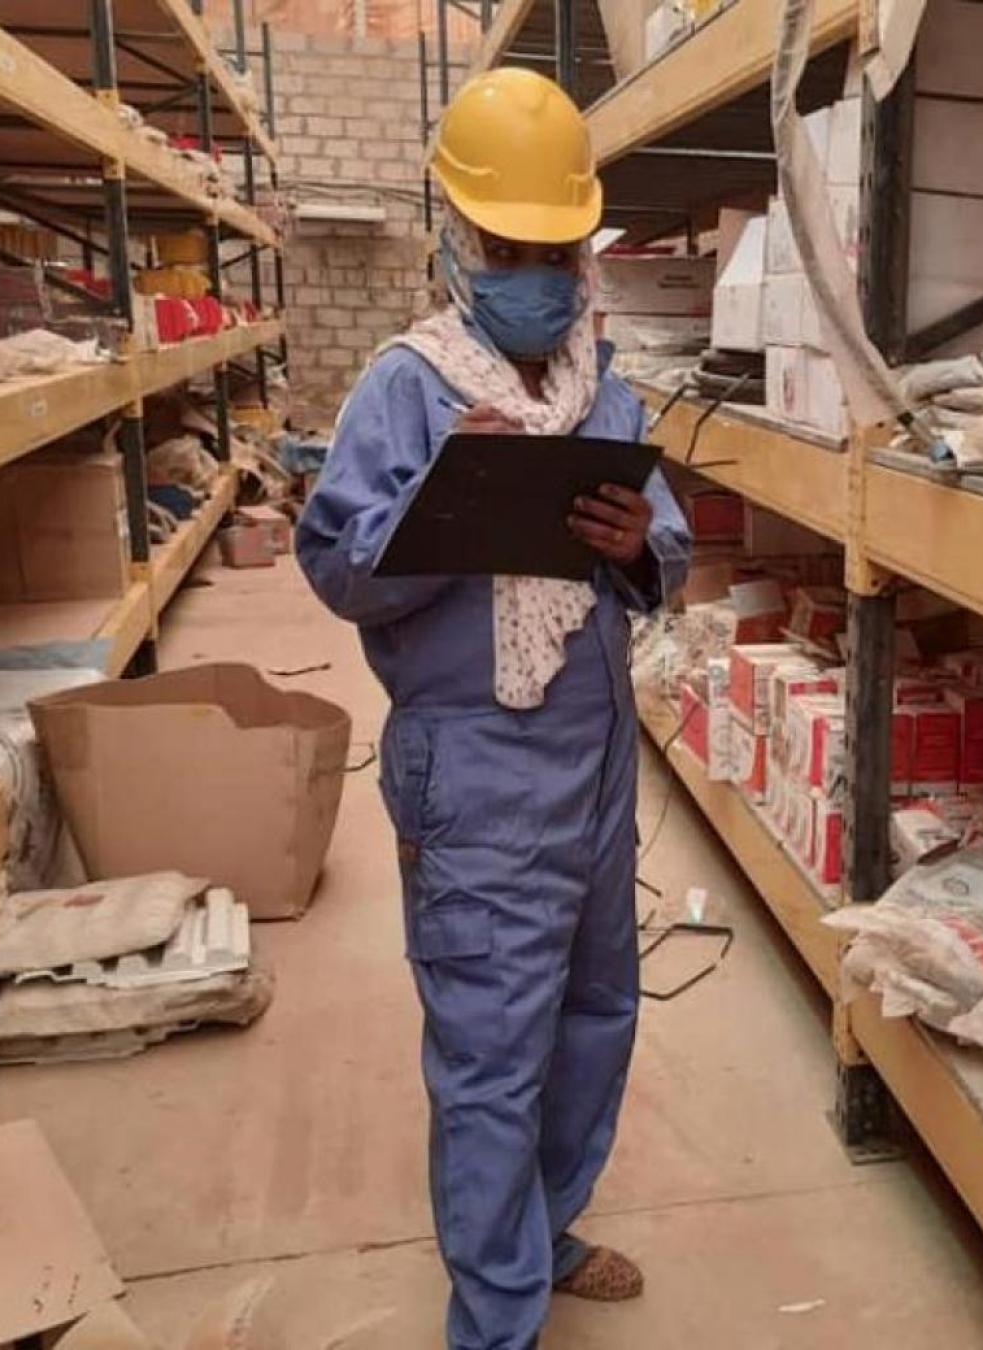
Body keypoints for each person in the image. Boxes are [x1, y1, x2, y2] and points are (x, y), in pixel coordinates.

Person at [295, 68, 691, 1350]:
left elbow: (665, 550)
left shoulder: (606, 386)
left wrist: (637, 541)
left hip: (591, 767)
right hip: (473, 775)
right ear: (459, 241)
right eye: (509, 247)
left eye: (555, 249)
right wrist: (443, 507)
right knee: (487, 1055)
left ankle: (546, 1224)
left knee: (594, 1017)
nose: (535, 273)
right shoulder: (403, 388)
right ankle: (496, 1317)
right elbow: (337, 567)